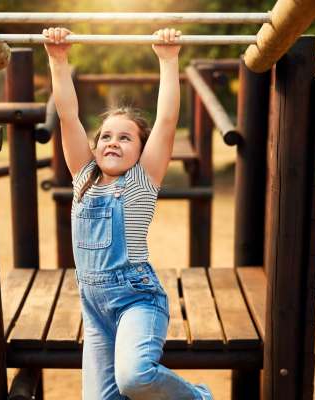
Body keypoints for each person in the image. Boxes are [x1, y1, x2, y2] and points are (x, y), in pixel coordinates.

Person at [43, 26, 214, 400]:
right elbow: (69, 117)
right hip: (95, 308)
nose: (113, 142)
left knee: (134, 377)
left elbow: (166, 120)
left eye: (125, 138)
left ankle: (199, 397)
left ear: (141, 151)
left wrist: (168, 61)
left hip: (137, 299)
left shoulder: (141, 181)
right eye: (105, 136)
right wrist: (58, 60)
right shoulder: (83, 177)